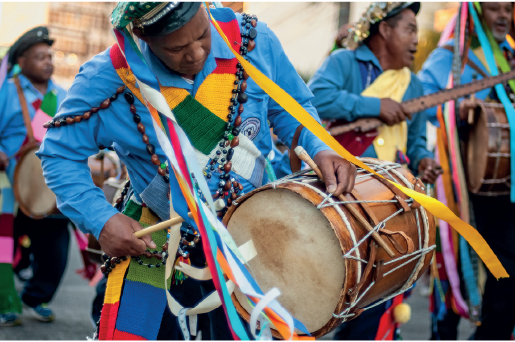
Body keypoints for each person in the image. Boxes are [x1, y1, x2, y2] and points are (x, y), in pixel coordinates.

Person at [36, 2, 357, 340]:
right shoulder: (110, 78)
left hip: (255, 238)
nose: (195, 52)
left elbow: (296, 108)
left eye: (203, 34)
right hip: (159, 238)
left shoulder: (252, 40)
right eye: (175, 48)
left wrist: (321, 147)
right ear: (141, 36)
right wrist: (102, 220)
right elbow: (59, 154)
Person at [308, 2, 441, 340]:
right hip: (342, 197)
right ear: (385, 30)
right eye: (410, 29)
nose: (416, 38)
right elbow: (316, 98)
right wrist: (374, 106)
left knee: (380, 292)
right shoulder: (344, 62)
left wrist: (424, 160)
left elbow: (415, 144)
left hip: (389, 203)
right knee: (339, 288)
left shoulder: (412, 85)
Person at [418, 1, 515, 340]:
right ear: (475, 13)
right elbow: (420, 102)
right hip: (458, 187)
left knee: (507, 279)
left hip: (505, 188)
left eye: (508, 8)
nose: (503, 16)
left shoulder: (511, 56)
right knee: (452, 276)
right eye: (494, 9)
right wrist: (456, 108)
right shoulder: (451, 57)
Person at [0, 26, 69, 326]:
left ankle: (36, 296)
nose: (48, 61)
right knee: (3, 244)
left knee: (55, 246)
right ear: (22, 61)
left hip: (47, 187)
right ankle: (6, 302)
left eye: (50, 56)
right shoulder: (5, 90)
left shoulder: (65, 95)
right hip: (6, 184)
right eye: (39, 56)